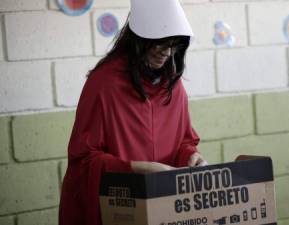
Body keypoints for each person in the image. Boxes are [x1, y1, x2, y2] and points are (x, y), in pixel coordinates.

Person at [59, 0, 207, 224]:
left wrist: (190, 157)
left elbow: (183, 142)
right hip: (116, 210)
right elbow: (84, 161)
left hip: (160, 208)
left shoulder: (173, 87)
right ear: (140, 40)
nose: (167, 53)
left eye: (175, 45)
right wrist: (136, 168)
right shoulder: (104, 84)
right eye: (161, 44)